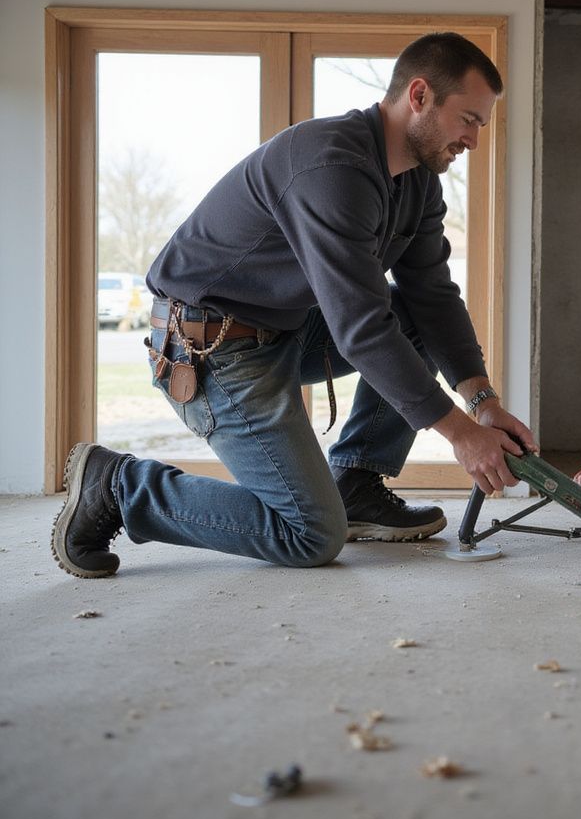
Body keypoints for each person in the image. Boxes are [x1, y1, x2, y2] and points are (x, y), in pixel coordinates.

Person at [52, 32, 537, 579]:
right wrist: (460, 433)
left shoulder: (419, 182)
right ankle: (119, 486)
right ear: (419, 95)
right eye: (468, 119)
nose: (473, 139)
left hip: (284, 331)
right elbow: (361, 327)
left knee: (414, 318)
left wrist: (483, 403)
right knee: (309, 534)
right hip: (212, 349)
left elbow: (432, 294)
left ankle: (356, 481)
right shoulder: (330, 166)